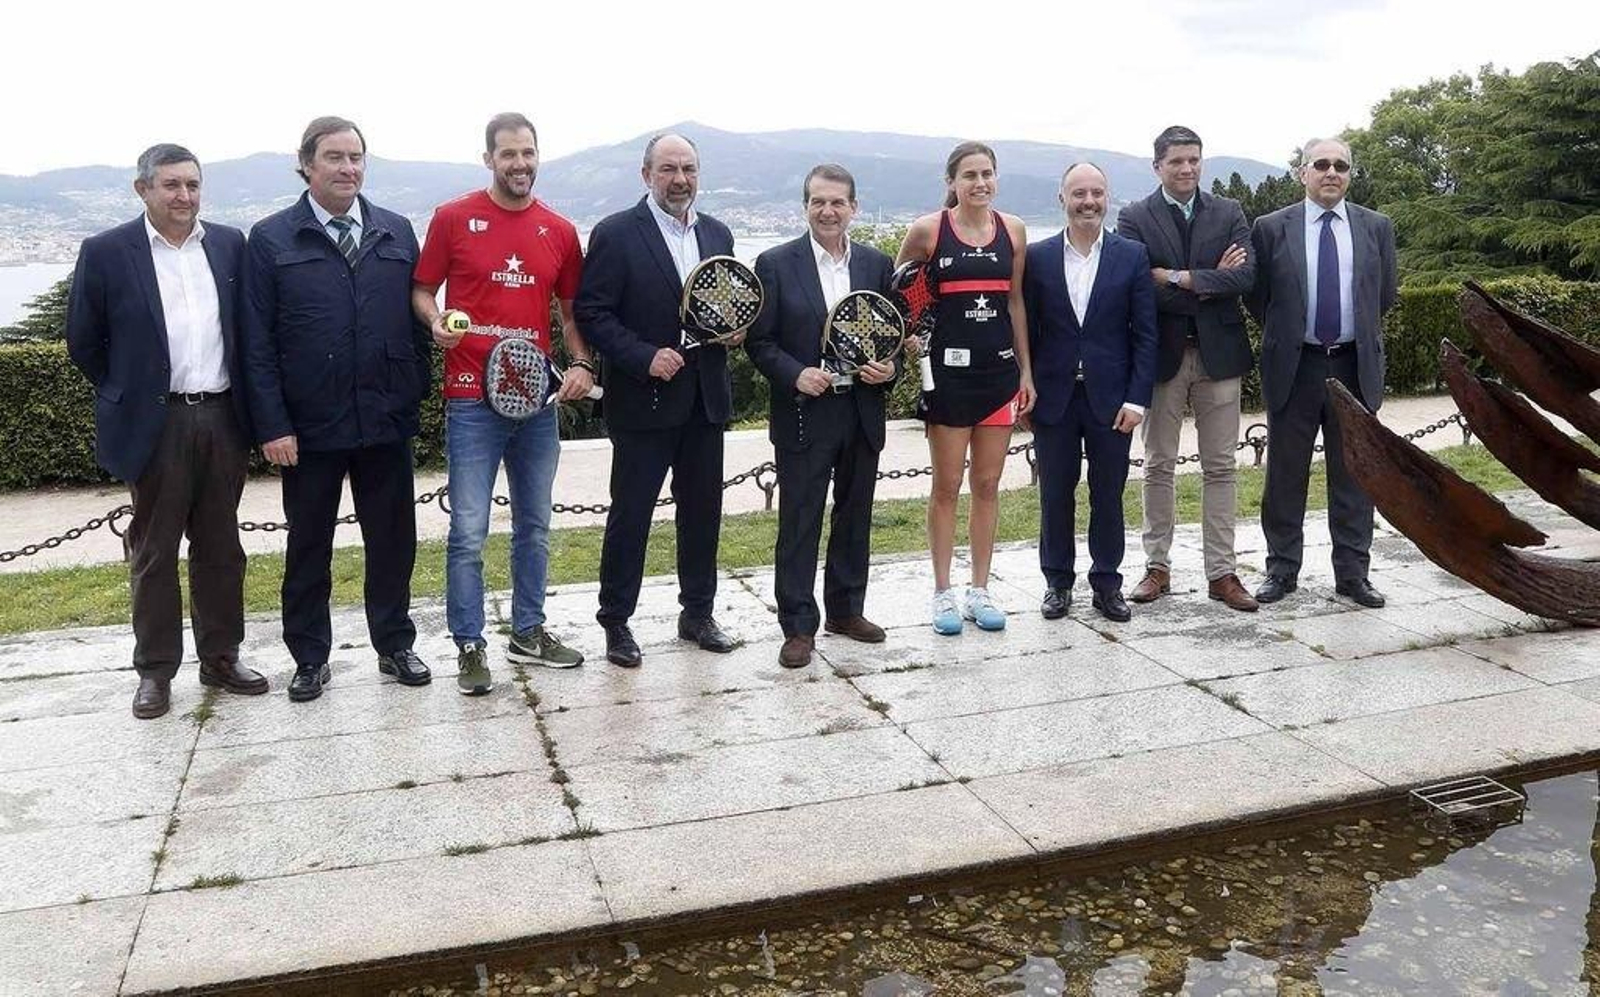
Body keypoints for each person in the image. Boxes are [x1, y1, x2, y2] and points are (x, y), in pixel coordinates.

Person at [66, 144, 266, 719]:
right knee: (154, 551)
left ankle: (221, 657)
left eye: (193, 185)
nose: (185, 196)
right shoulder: (106, 252)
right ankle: (155, 670)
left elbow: (246, 329)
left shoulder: (229, 245)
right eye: (172, 185)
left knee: (222, 547)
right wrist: (131, 394)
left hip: (223, 416)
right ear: (143, 189)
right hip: (157, 422)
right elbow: (85, 342)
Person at [242, 116, 433, 702]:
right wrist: (272, 425)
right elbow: (257, 341)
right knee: (308, 546)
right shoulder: (271, 239)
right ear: (306, 164)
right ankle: (308, 657)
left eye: (356, 157)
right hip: (308, 428)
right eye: (334, 158)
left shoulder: (396, 231)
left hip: (384, 421)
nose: (348, 168)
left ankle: (395, 644)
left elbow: (416, 323)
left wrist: (413, 395)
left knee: (394, 540)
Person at [412, 113, 594, 695]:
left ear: (538, 157)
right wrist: (436, 320)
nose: (520, 164)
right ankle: (469, 645)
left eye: (528, 153)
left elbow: (570, 316)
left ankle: (528, 631)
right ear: (488, 158)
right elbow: (422, 290)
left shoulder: (560, 231)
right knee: (468, 531)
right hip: (470, 401)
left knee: (535, 527)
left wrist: (583, 365)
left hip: (536, 401)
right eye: (508, 154)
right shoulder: (451, 218)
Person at [573, 133, 740, 668]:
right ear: (646, 175)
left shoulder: (718, 233)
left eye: (688, 168)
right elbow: (594, 314)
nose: (680, 179)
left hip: (705, 401)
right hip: (643, 401)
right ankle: (616, 622)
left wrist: (734, 330)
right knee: (631, 516)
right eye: (668, 169)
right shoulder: (616, 233)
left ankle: (698, 613)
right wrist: (644, 356)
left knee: (703, 514)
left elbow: (725, 305)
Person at [746, 164, 896, 669]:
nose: (828, 211)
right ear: (805, 206)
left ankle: (846, 611)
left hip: (861, 409)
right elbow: (759, 342)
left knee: (855, 515)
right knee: (800, 520)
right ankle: (797, 626)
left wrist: (888, 367)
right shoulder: (775, 263)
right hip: (806, 411)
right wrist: (796, 374)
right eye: (818, 202)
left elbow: (890, 333)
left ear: (853, 207)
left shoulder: (877, 265)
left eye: (837, 203)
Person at [1247, 137, 1398, 609]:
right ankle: (1281, 570)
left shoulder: (1376, 227)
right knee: (1286, 475)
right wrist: (1291, 333)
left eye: (1341, 165)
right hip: (1297, 365)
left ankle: (1353, 575)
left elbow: (1384, 295)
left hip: (1354, 365)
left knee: (1355, 474)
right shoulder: (1271, 227)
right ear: (1302, 172)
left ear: (1350, 174)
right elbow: (1258, 298)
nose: (1331, 172)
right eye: (1321, 164)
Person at [1114, 125, 1259, 612]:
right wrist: (1209, 281)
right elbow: (1138, 285)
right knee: (1158, 465)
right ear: (1158, 166)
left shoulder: (1229, 211)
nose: (1187, 169)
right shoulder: (1134, 216)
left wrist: (1179, 277)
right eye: (1177, 161)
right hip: (1161, 358)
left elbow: (1244, 275)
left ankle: (1222, 572)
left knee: (1222, 467)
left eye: (1194, 160)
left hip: (1220, 357)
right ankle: (1157, 567)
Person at [896, 141, 1034, 635]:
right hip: (948, 380)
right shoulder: (928, 230)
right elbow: (902, 299)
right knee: (946, 488)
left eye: (987, 174)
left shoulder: (1013, 230)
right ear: (951, 182)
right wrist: (911, 338)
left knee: (989, 486)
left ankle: (980, 590)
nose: (980, 183)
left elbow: (1015, 302)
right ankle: (942, 593)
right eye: (969, 175)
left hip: (999, 376)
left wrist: (1026, 372)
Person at [1023, 163, 1158, 623]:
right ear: (1062, 198)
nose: (1088, 201)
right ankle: (1057, 583)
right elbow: (1025, 330)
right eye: (1078, 193)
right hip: (1054, 399)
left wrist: (1137, 399)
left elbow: (1145, 334)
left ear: (1108, 197)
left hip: (1113, 401)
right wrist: (1026, 390)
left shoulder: (1131, 255)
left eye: (1097, 193)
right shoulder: (1036, 258)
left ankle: (1107, 583)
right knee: (1055, 495)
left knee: (1108, 494)